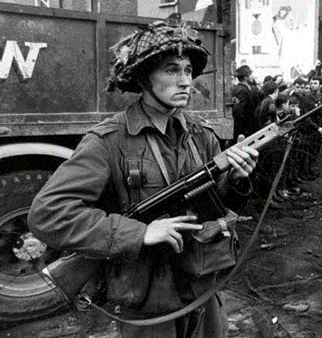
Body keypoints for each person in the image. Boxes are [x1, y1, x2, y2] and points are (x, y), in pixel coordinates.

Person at [27, 21, 259, 338]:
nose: (185, 81)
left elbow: (213, 205)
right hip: (150, 304)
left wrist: (234, 178)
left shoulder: (201, 135)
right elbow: (47, 214)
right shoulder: (109, 140)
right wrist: (140, 232)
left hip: (204, 293)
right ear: (143, 77)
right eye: (171, 70)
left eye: (189, 71)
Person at [232, 65, 259, 138]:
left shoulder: (238, 88)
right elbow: (239, 111)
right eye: (250, 74)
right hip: (243, 129)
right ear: (245, 77)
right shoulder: (243, 90)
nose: (252, 76)